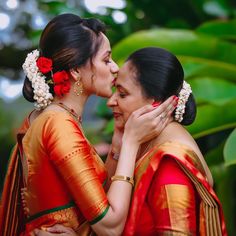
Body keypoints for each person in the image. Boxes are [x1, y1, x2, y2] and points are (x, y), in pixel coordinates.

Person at [0, 14, 176, 236]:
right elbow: (110, 226)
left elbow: (98, 200)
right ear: (75, 70)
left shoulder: (51, 118)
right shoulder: (58, 124)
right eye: (106, 59)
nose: (115, 68)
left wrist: (118, 141)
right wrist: (131, 142)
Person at [43, 47, 227, 235]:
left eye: (122, 94)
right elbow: (105, 211)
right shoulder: (149, 147)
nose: (110, 101)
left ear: (155, 104)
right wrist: (119, 146)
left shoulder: (170, 164)